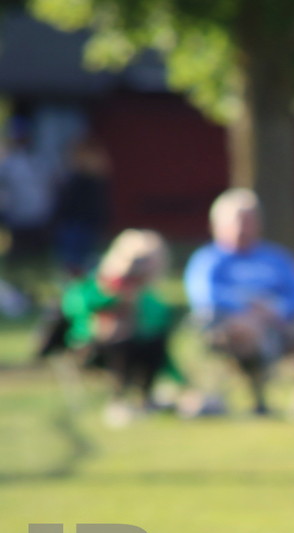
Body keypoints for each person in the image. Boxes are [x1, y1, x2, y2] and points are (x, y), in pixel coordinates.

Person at [184, 188, 294, 416]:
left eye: (249, 221)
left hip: (282, 322)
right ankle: (259, 400)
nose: (243, 228)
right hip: (231, 327)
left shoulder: (276, 258)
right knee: (246, 329)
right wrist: (249, 308)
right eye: (237, 221)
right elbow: (206, 297)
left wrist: (278, 309)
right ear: (217, 225)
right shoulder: (208, 260)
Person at [60, 229, 182, 426]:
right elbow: (73, 306)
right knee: (119, 336)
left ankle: (144, 399)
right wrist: (111, 299)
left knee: (147, 342)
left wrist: (181, 382)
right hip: (92, 349)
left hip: (139, 353)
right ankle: (118, 400)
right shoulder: (97, 284)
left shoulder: (151, 300)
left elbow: (160, 344)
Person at [0, 118, 55, 305]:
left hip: (40, 218)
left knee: (40, 260)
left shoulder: (40, 160)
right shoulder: (8, 163)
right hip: (18, 219)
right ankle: (18, 295)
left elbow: (50, 187)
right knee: (17, 261)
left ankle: (42, 294)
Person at [52, 137, 112, 277]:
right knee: (74, 263)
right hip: (75, 225)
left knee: (83, 263)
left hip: (84, 225)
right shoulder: (77, 178)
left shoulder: (91, 180)